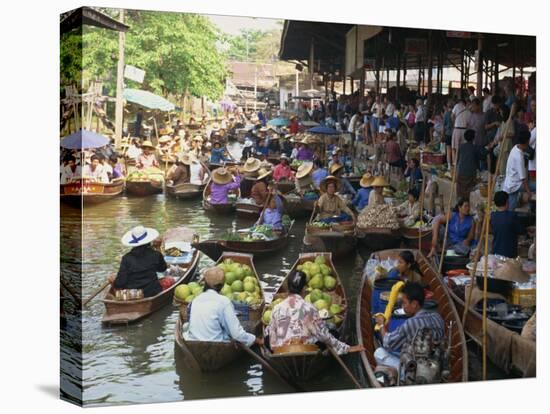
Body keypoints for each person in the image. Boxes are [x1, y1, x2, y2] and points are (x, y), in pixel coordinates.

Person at [267, 271, 363, 355]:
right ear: (304, 288)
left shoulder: (277, 308)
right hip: (306, 349)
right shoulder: (308, 308)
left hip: (281, 350)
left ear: (288, 288)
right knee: (332, 331)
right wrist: (346, 348)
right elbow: (323, 335)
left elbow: (271, 333)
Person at [374, 282, 445, 372]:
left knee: (379, 352)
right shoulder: (437, 316)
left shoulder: (411, 323)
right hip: (437, 365)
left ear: (414, 304)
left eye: (404, 303)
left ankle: (403, 375)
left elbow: (387, 343)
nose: (402, 306)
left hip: (417, 369)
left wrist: (381, 324)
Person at [183, 267, 262, 347]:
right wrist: (255, 339)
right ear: (223, 285)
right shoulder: (224, 302)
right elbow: (237, 335)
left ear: (205, 282)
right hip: (216, 345)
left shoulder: (196, 300)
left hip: (192, 342)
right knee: (244, 322)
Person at [108, 225, 166, 298]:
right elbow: (162, 269)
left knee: (112, 279)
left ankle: (120, 300)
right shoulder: (156, 254)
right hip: (152, 292)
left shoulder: (126, 258)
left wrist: (113, 282)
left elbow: (120, 283)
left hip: (134, 295)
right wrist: (158, 248)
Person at [503, 130, 532, 211]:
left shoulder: (516, 146)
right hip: (516, 184)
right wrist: (528, 192)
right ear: (528, 141)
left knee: (511, 206)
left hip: (510, 182)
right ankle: (532, 207)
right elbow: (523, 179)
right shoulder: (519, 157)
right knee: (535, 186)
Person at [491, 191, 524, 258]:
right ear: (507, 202)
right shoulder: (512, 216)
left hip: (496, 252)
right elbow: (521, 231)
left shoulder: (492, 216)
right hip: (509, 253)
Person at [456, 129, 486, 200]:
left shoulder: (461, 147)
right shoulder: (475, 148)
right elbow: (482, 157)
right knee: (469, 191)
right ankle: (466, 203)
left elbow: (457, 159)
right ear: (473, 138)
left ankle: (460, 203)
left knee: (460, 191)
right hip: (470, 174)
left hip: (461, 172)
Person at [451, 98, 471, 166]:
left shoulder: (457, 106)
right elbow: (468, 124)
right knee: (463, 148)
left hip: (457, 129)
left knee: (454, 148)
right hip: (464, 130)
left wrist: (454, 123)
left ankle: (455, 163)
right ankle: (461, 162)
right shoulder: (468, 111)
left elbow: (452, 116)